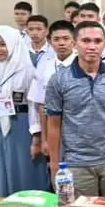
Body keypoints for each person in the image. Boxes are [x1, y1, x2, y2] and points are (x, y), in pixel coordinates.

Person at [45, 21, 105, 196]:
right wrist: (55, 165)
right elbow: (54, 124)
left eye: (97, 41)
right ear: (75, 44)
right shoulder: (59, 80)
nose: (92, 46)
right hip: (76, 163)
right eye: (86, 41)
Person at [0, 26, 48, 196]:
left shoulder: (27, 71)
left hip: (21, 127)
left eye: (2, 44)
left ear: (13, 45)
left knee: (25, 173)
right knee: (0, 174)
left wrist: (37, 139)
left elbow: (34, 106)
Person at [28, 21, 77, 159]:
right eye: (56, 39)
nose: (61, 43)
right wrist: (44, 139)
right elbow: (41, 104)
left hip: (79, 128)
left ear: (74, 41)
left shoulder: (82, 65)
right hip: (53, 128)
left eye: (66, 38)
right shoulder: (44, 66)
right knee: (58, 167)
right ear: (49, 41)